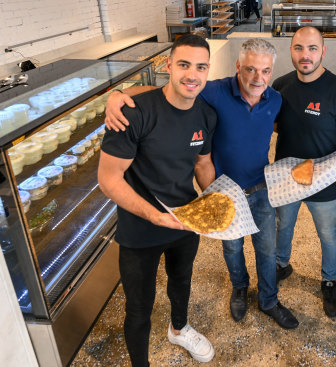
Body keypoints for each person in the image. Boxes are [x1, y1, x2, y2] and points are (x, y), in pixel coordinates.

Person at [104, 39, 299, 330]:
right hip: (223, 192)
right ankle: (239, 288)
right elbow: (166, 92)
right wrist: (118, 95)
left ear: (271, 71)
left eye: (265, 71)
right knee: (232, 248)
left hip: (261, 190)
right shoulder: (214, 91)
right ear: (237, 67)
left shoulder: (275, 100)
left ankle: (269, 300)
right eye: (250, 70)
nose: (258, 78)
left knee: (267, 249)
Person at [98, 34, 217, 366]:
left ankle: (179, 329)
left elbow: (202, 163)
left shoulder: (205, 115)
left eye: (200, 67)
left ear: (208, 71)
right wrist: (154, 216)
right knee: (138, 306)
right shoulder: (135, 113)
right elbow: (108, 180)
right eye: (183, 65)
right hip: (140, 228)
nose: (192, 75)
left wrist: (216, 200)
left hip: (185, 221)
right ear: (168, 66)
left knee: (181, 282)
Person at [272, 26, 336, 318]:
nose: (305, 55)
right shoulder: (280, 85)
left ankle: (329, 280)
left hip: (325, 182)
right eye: (299, 48)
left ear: (323, 51)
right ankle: (281, 265)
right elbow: (272, 126)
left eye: (312, 49)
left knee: (328, 234)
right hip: (287, 178)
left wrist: (323, 170)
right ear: (291, 51)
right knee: (283, 226)